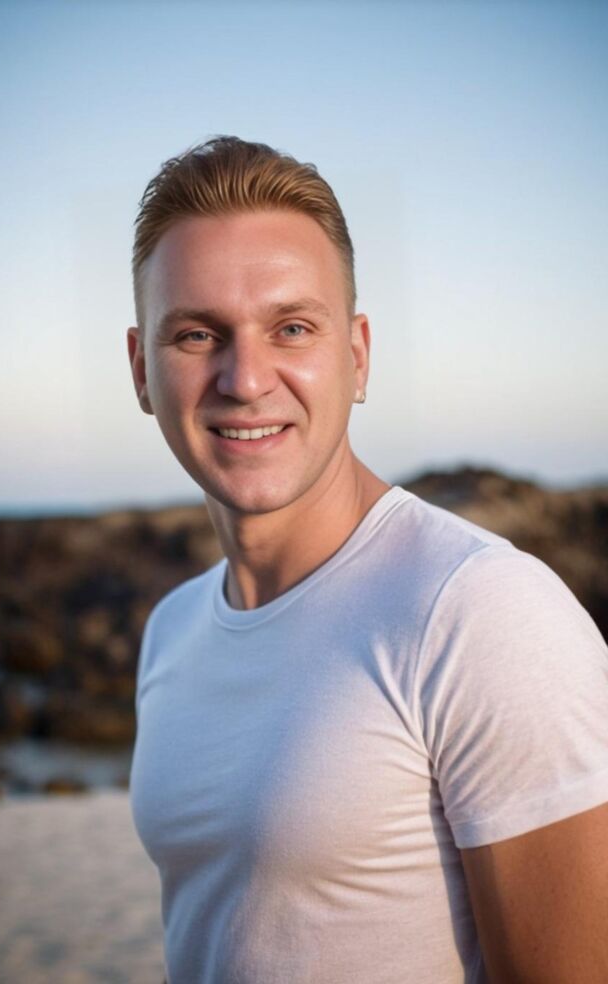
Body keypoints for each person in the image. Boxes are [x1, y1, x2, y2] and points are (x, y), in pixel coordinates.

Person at [127, 136, 608, 984]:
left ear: (356, 356)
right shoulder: (173, 629)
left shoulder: (481, 612)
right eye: (198, 335)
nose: (245, 379)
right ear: (141, 370)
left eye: (292, 328)